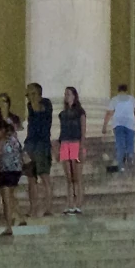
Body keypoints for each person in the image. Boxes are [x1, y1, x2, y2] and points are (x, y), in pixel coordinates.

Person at [23, 83, 55, 217]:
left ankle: (48, 208)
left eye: (30, 93)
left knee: (44, 177)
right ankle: (32, 209)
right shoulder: (29, 106)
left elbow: (39, 109)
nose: (28, 97)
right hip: (30, 144)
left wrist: (33, 98)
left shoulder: (46, 104)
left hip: (42, 145)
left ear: (37, 93)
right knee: (31, 178)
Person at [57, 86, 86, 214]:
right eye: (65, 94)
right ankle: (70, 204)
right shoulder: (62, 114)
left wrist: (81, 146)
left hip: (76, 143)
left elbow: (83, 130)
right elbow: (62, 130)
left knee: (77, 177)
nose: (66, 96)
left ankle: (78, 203)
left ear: (74, 96)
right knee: (68, 177)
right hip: (65, 143)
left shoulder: (80, 112)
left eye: (68, 94)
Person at [0, 119, 23, 237]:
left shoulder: (2, 140)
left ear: (1, 130)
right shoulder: (14, 139)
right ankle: (21, 217)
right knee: (11, 196)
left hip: (6, 172)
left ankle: (9, 226)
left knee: (6, 200)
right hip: (16, 170)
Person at [107, 84, 135, 177]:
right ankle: (130, 157)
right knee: (130, 143)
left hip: (118, 123)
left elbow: (109, 113)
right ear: (126, 90)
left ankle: (121, 165)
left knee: (120, 144)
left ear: (118, 90)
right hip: (130, 123)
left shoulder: (114, 99)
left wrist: (105, 126)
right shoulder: (131, 99)